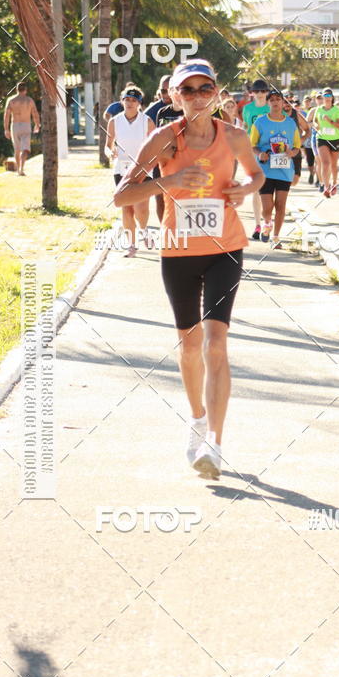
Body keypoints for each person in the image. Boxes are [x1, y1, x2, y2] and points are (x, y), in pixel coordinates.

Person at [114, 59, 264, 478]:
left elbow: (257, 176)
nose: (197, 97)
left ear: (215, 93)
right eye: (188, 90)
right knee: (190, 345)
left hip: (225, 249)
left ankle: (215, 442)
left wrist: (244, 189)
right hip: (178, 251)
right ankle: (197, 417)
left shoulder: (233, 136)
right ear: (174, 96)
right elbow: (122, 196)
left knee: (216, 343)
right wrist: (171, 183)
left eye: (205, 89)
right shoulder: (164, 138)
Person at [105, 86, 153, 257]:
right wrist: (110, 152)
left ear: (139, 103)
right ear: (122, 101)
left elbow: (155, 145)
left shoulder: (147, 121)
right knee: (126, 209)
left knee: (141, 208)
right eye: (127, 100)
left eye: (134, 100)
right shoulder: (114, 121)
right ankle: (131, 245)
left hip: (143, 169)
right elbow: (107, 145)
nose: (130, 103)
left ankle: (144, 230)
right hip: (122, 169)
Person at [250, 88, 301, 246]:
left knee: (280, 205)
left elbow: (297, 146)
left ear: (283, 102)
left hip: (284, 170)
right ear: (268, 103)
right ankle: (267, 223)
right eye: (271, 100)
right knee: (267, 207)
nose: (275, 102)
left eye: (278, 99)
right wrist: (260, 154)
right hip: (265, 170)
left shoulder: (290, 123)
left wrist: (292, 153)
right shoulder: (260, 122)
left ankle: (276, 237)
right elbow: (252, 145)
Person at [243, 79, 270, 239]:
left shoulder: (271, 107)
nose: (260, 94)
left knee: (269, 188)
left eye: (263, 91)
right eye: (256, 91)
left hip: (271, 150)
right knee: (257, 188)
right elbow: (247, 128)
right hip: (253, 150)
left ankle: (267, 222)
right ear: (252, 93)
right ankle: (258, 225)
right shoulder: (247, 109)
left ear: (267, 92)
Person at [314, 87, 339, 196]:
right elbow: (314, 121)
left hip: (335, 139)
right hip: (322, 138)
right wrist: (316, 125)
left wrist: (330, 121)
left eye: (329, 95)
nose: (327, 97)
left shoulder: (336, 110)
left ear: (332, 97)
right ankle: (326, 187)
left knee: (333, 165)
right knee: (325, 163)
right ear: (322, 97)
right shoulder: (319, 109)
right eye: (325, 95)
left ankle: (334, 183)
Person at [3, 82, 40, 176]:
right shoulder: (29, 100)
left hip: (15, 126)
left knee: (17, 149)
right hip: (26, 125)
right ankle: (21, 169)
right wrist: (37, 124)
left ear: (16, 89)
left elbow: (6, 115)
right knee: (25, 149)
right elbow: (35, 113)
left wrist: (6, 129)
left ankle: (19, 170)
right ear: (26, 90)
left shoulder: (11, 100)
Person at [283, 97, 310, 186]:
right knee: (281, 179)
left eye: (290, 102)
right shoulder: (276, 114)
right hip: (280, 150)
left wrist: (302, 140)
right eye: (285, 102)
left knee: (295, 180)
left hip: (295, 149)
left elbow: (307, 130)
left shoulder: (296, 114)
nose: (287, 104)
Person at [301, 95, 316, 184]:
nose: (307, 102)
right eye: (306, 101)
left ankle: (318, 178)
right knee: (309, 159)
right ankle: (311, 173)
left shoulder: (315, 110)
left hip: (316, 137)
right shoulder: (301, 111)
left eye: (309, 101)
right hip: (306, 137)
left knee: (318, 159)